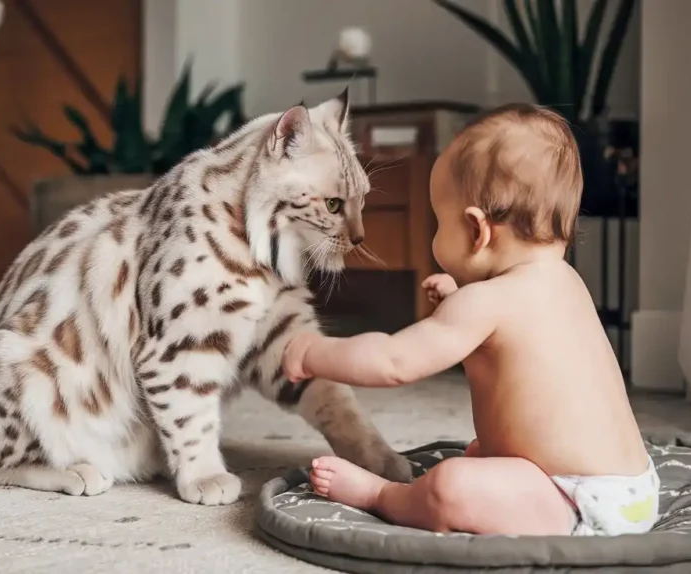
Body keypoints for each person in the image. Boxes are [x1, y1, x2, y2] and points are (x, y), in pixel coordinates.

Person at [282, 104, 658, 537]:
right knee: (482, 453)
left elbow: (393, 361)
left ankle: (383, 496)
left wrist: (314, 353)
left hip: (574, 504)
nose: (435, 235)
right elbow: (519, 340)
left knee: (452, 485)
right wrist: (461, 301)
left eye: (439, 222)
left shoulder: (486, 305)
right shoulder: (566, 282)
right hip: (631, 488)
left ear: (477, 232)